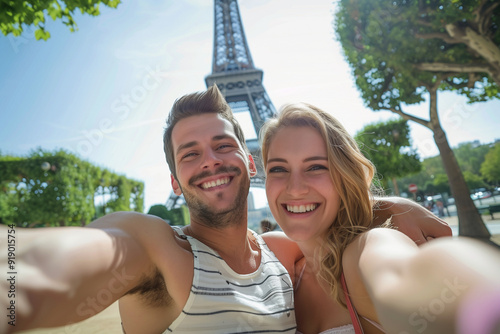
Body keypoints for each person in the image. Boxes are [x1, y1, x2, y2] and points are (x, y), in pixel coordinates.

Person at [1, 85, 450, 334]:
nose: (210, 160)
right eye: (190, 154)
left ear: (249, 162)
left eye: (222, 145)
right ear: (175, 182)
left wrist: (389, 205)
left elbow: (321, 208)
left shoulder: (285, 253)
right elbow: (39, 266)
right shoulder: (161, 254)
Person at [259, 102, 500, 334]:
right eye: (278, 169)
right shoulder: (278, 258)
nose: (295, 188)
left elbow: (412, 276)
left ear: (345, 175)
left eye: (316, 167)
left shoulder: (366, 249)